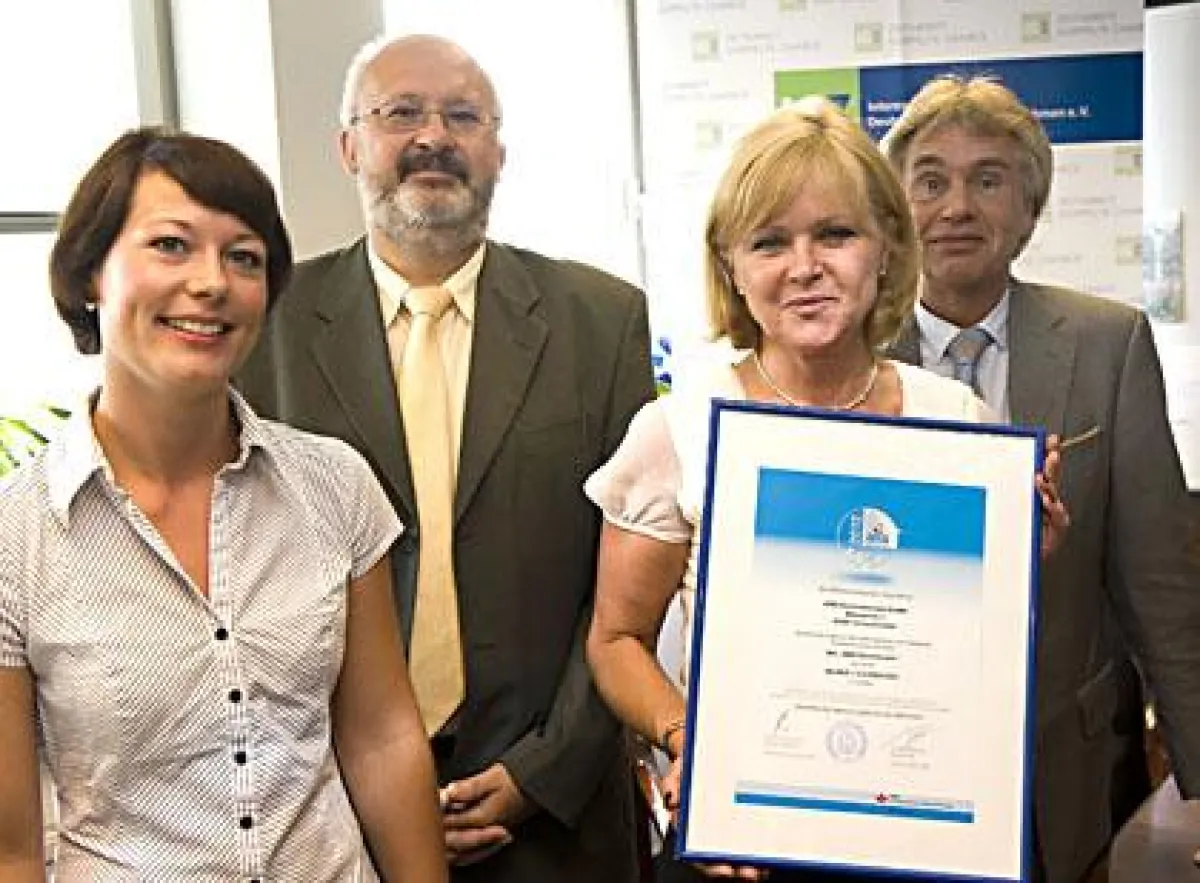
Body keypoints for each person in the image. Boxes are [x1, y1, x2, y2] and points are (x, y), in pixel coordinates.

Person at [584, 97, 1067, 882]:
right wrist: (689, 738)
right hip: (747, 845)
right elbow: (614, 641)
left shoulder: (958, 419)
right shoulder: (679, 427)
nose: (805, 267)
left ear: (885, 248)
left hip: (924, 839)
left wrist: (1022, 558)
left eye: (835, 234)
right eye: (770, 241)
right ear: (731, 268)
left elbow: (966, 648)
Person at [236, 34, 655, 882]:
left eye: (462, 116)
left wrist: (543, 772)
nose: (433, 136)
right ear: (348, 145)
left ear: (498, 149)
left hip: (558, 826)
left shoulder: (602, 322)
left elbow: (624, 596)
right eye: (399, 114)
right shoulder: (266, 329)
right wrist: (364, 782)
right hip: (331, 824)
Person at [0, 128, 446, 881]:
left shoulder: (334, 485)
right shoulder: (18, 534)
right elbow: (10, 847)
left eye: (244, 257)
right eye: (171, 245)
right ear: (89, 276)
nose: (211, 283)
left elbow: (381, 737)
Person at [881, 74, 1200, 883]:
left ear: (1030, 209)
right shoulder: (842, 356)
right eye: (929, 181)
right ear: (895, 212)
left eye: (988, 180)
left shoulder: (1108, 344)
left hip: (1068, 769)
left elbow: (1161, 587)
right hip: (890, 771)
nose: (957, 206)